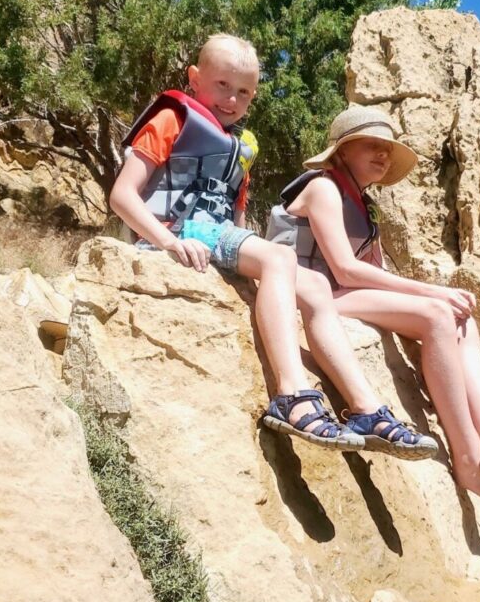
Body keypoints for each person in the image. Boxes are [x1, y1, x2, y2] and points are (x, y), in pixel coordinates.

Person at [267, 105, 480, 513]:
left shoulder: (362, 203)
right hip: (307, 291)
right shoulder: (325, 188)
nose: (383, 155)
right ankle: (469, 464)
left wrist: (434, 298)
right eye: (371, 146)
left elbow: (367, 273)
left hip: (337, 292)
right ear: (342, 151)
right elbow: (344, 268)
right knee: (436, 313)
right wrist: (433, 292)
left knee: (459, 321)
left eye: (387, 149)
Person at [109, 33, 368, 451]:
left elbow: (236, 216)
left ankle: (365, 406)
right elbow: (123, 195)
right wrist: (166, 242)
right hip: (176, 233)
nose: (231, 100)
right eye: (222, 85)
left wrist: (257, 276)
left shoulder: (239, 148)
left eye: (244, 92)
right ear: (195, 78)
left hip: (216, 236)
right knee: (279, 255)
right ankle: (291, 395)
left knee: (316, 285)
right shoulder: (171, 120)